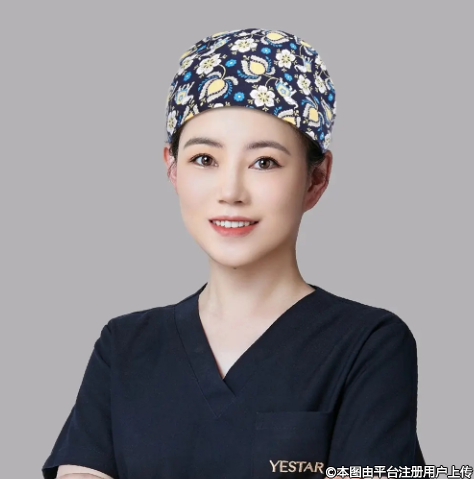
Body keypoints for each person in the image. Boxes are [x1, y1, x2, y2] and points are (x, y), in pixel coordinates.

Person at [42, 27, 425, 479]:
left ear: (316, 179)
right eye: (205, 159)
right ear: (173, 169)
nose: (230, 191)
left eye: (264, 162)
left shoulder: (369, 345)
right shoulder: (124, 348)